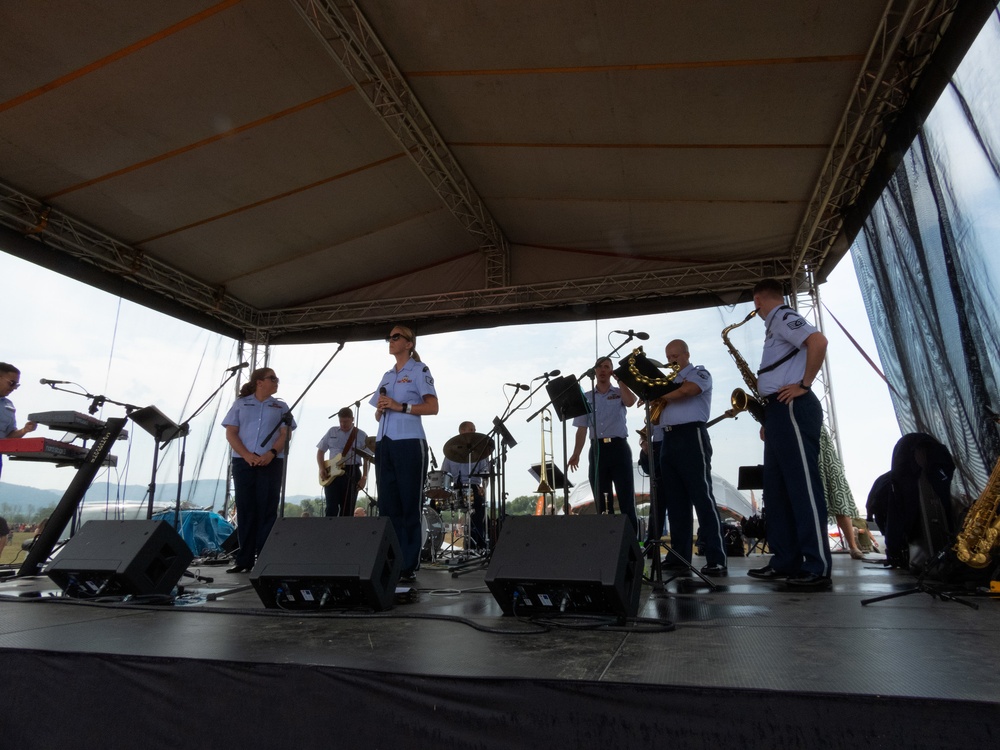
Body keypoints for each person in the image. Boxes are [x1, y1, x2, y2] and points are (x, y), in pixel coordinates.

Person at [748, 279, 832, 590]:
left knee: (802, 487)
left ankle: (817, 564)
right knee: (776, 489)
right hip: (777, 411)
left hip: (793, 406)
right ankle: (785, 560)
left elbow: (818, 341)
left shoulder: (783, 317)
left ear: (758, 299)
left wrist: (805, 385)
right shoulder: (774, 326)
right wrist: (769, 416)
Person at [370, 325, 439, 582]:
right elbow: (378, 412)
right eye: (388, 336)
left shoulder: (420, 370)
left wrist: (401, 406)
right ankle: (390, 560)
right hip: (384, 442)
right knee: (388, 507)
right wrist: (381, 409)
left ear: (409, 344)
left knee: (409, 505)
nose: (390, 340)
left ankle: (408, 564)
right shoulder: (387, 375)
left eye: (396, 336)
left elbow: (433, 407)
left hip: (409, 443)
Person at [654, 340, 728, 576]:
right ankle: (679, 556)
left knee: (702, 497)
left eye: (675, 355)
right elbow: (656, 417)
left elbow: (689, 391)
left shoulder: (699, 373)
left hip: (691, 436)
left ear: (687, 354)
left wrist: (660, 394)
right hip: (668, 438)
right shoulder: (667, 382)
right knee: (675, 502)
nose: (672, 359)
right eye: (669, 356)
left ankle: (716, 557)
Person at [221, 367, 295, 574]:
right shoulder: (241, 404)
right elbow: (231, 432)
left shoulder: (281, 406)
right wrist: (246, 455)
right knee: (246, 510)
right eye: (272, 378)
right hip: (244, 463)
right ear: (259, 382)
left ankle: (264, 558)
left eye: (276, 378)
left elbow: (285, 433)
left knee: (267, 511)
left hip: (270, 462)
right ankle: (244, 560)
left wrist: (271, 453)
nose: (276, 381)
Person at [569, 357, 638, 533]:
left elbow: (631, 401)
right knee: (601, 499)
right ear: (594, 371)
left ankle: (631, 545)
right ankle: (608, 541)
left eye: (606, 367)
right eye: (599, 367)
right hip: (598, 449)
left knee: (626, 498)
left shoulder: (618, 392)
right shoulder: (586, 397)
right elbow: (582, 429)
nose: (602, 370)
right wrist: (576, 453)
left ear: (611, 371)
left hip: (619, 447)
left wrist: (620, 380)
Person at [440, 420, 489, 549]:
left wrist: (484, 487)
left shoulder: (481, 453)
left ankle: (477, 545)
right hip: (456, 488)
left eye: (474, 429)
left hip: (474, 487)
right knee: (435, 504)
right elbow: (444, 474)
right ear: (461, 432)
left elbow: (485, 474)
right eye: (471, 429)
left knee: (479, 506)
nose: (474, 432)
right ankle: (435, 542)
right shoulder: (450, 452)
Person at [316, 407, 370, 517]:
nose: (343, 424)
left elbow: (367, 458)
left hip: (352, 471)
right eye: (340, 421)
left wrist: (364, 477)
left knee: (348, 509)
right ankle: (329, 532)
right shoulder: (332, 431)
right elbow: (320, 451)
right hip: (331, 472)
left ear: (352, 419)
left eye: (346, 422)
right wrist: (321, 468)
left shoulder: (361, 435)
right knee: (331, 507)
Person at [0, 362, 37, 479]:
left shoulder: (8, 406)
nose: (14, 388)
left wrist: (24, 430)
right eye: (12, 383)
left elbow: (8, 437)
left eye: (17, 385)